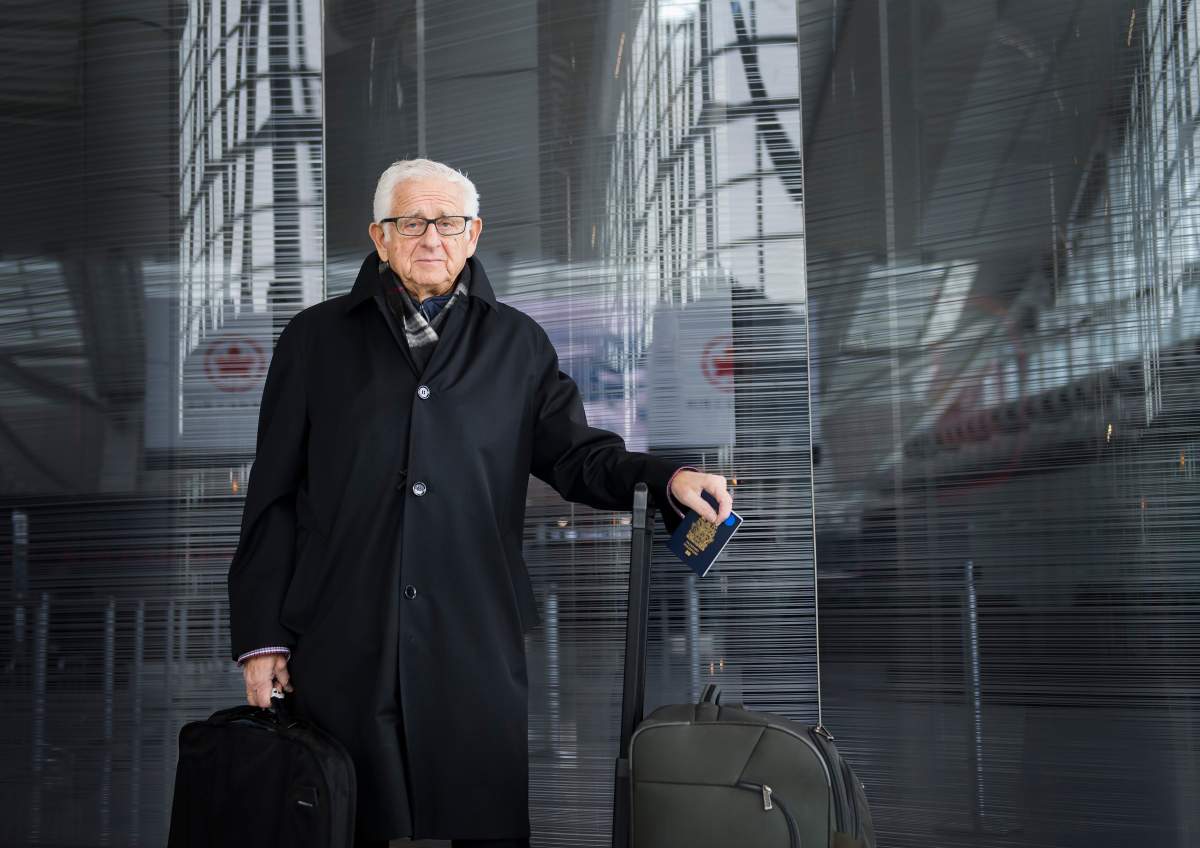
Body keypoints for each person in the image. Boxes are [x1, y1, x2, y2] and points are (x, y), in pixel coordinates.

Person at [227, 158, 733, 847]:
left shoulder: (516, 344)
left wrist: (666, 478)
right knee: (344, 817)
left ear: (473, 235)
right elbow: (274, 497)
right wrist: (264, 638)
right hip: (342, 632)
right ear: (379, 236)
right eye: (411, 222)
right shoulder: (315, 341)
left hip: (472, 631)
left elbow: (577, 456)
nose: (430, 237)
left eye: (449, 223)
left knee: (478, 817)